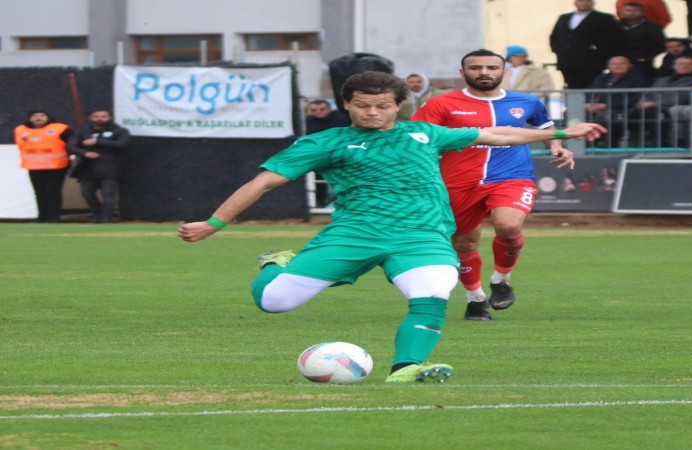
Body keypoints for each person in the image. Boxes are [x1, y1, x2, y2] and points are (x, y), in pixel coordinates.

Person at [177, 71, 605, 382]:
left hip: (421, 236)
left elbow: (497, 135)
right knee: (274, 302)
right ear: (347, 104)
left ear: (398, 105)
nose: (373, 113)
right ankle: (275, 262)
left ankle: (407, 368)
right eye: (363, 105)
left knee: (434, 290)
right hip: (355, 233)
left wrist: (562, 133)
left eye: (382, 106)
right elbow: (264, 182)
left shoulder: (425, 134)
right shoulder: (324, 142)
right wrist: (215, 223)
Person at [411, 49, 573, 321]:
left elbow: (545, 128)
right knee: (465, 244)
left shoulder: (527, 102)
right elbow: (417, 138)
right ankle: (475, 298)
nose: (484, 72)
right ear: (463, 72)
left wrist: (556, 146)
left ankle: (501, 279)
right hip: (458, 181)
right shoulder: (441, 104)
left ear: (503, 71)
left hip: (512, 176)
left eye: (491, 67)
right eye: (476, 68)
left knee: (508, 225)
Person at [67, 110, 131, 223]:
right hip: (87, 168)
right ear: (91, 118)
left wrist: (98, 142)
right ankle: (98, 215)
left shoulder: (119, 131)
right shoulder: (83, 131)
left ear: (109, 117)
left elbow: (123, 144)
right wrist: (84, 153)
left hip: (110, 168)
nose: (99, 118)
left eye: (103, 116)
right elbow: (71, 146)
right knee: (87, 193)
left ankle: (106, 219)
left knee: (108, 195)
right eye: (96, 116)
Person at [632, 56, 692, 146]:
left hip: (671, 109)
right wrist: (642, 102)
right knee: (626, 116)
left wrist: (656, 104)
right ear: (674, 66)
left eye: (689, 64)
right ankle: (617, 143)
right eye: (681, 64)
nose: (685, 66)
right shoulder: (661, 80)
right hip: (647, 108)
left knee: (653, 112)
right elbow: (648, 93)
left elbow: (683, 97)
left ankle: (660, 143)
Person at [550, 0, 625, 89]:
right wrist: (558, 50)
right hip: (567, 63)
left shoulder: (604, 18)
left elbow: (614, 38)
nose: (584, 3)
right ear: (575, 2)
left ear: (593, 3)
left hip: (592, 63)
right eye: (581, 1)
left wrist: (596, 50)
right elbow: (555, 36)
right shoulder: (564, 18)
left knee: (592, 88)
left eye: (588, 1)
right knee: (573, 88)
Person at [13, 111, 72, 223]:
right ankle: (42, 217)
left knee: (53, 192)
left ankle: (53, 217)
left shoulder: (60, 128)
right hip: (33, 166)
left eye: (42, 115)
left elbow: (72, 144)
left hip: (56, 166)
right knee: (39, 193)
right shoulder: (21, 129)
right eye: (35, 116)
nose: (38, 118)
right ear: (30, 118)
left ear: (48, 117)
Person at [586, 56, 650, 147]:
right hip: (597, 109)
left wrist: (607, 106)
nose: (618, 66)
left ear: (630, 65)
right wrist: (589, 105)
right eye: (614, 64)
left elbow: (635, 98)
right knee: (577, 114)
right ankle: (581, 144)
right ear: (608, 66)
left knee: (607, 117)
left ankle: (606, 145)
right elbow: (591, 93)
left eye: (622, 64)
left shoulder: (638, 78)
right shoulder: (601, 79)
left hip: (624, 110)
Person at [618, 1, 666, 81]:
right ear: (622, 12)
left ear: (642, 12)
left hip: (642, 64)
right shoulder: (615, 26)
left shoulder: (653, 27)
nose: (632, 13)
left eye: (636, 10)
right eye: (628, 10)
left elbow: (661, 45)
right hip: (619, 62)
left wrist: (646, 58)